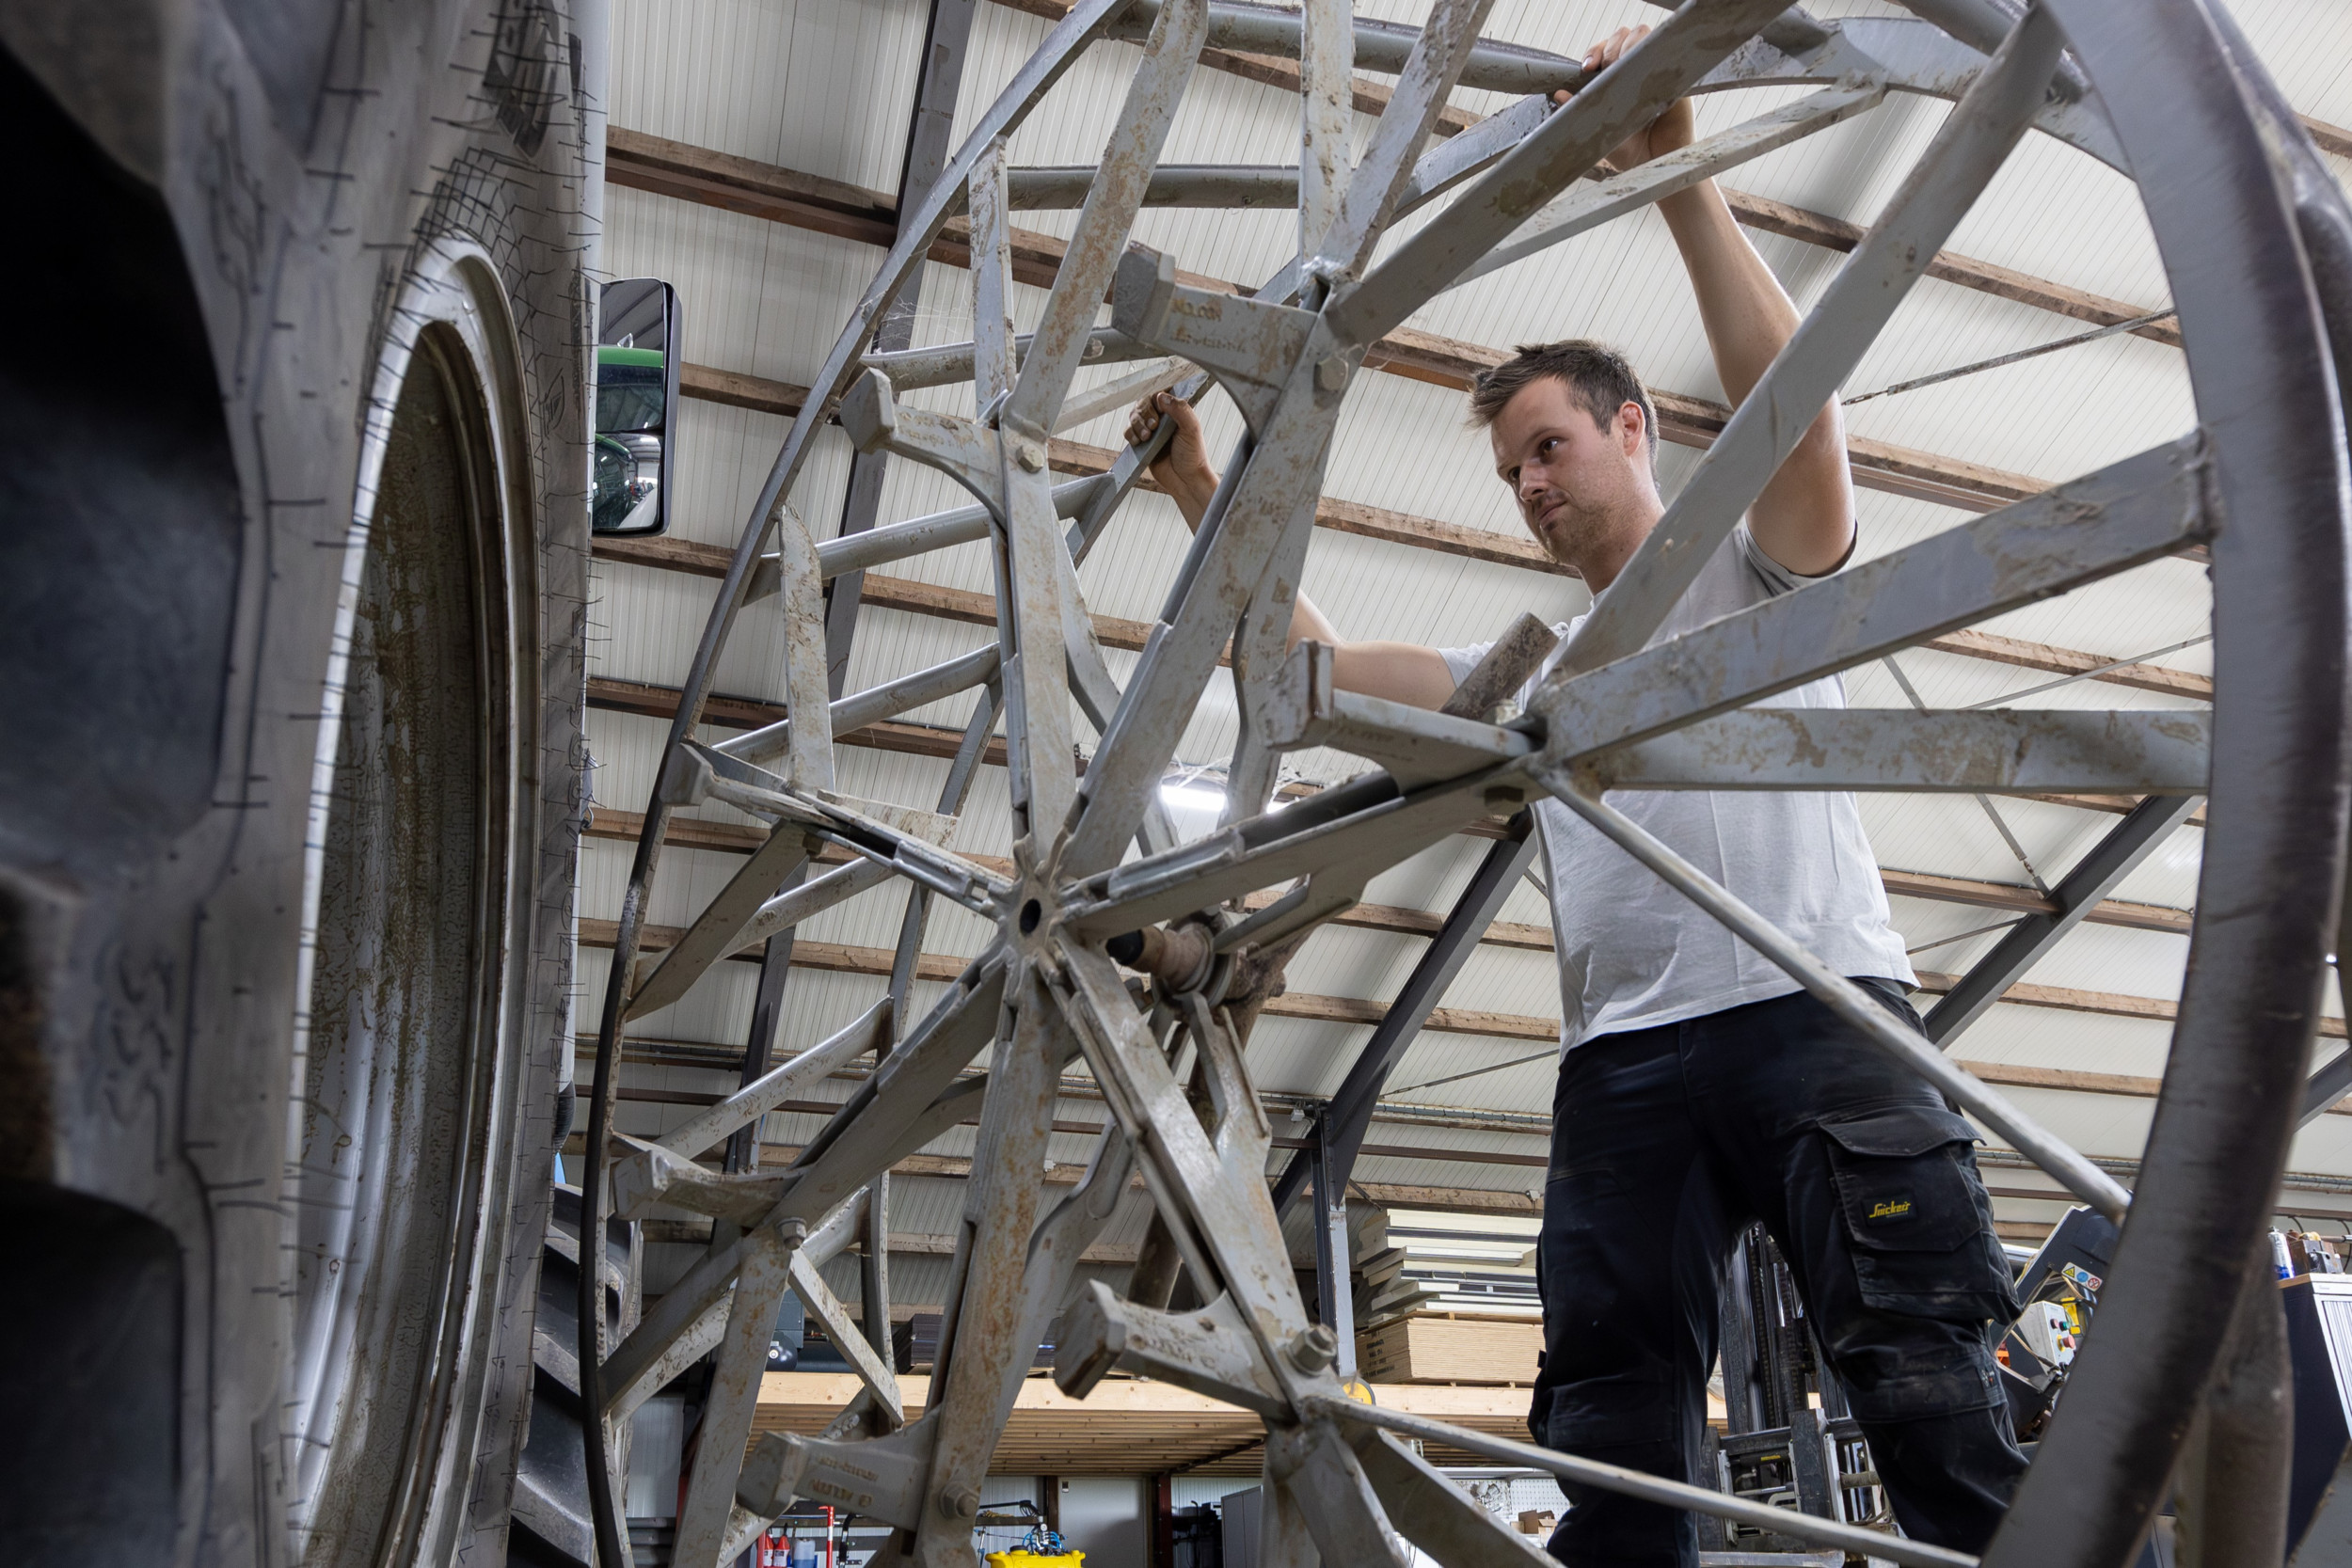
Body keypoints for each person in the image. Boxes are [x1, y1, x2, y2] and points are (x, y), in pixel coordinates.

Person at [1126, 26, 2026, 1566]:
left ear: (1633, 429)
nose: (1531, 486)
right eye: (1510, 475)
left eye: (1548, 447)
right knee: (1613, 1427)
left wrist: (1679, 176)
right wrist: (1203, 492)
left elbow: (1800, 413)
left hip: (1822, 1012)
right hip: (1625, 1063)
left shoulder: (1755, 573)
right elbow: (1317, 682)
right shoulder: (1528, 672)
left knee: (1927, 1387)